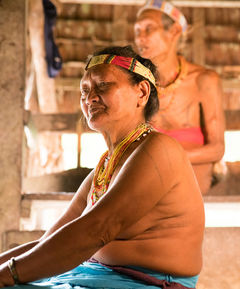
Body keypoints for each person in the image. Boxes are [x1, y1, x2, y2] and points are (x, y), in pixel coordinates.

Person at [0, 46, 204, 289]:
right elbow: (52, 240)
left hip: (144, 283)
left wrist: (8, 274)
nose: (90, 97)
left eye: (103, 85)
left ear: (141, 92)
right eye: (85, 90)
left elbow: (96, 229)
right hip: (91, 275)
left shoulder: (160, 149)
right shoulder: (106, 165)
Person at [134, 0, 225, 194]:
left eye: (149, 29)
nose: (140, 38)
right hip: (148, 192)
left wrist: (163, 158)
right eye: (137, 31)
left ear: (174, 31)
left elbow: (217, 148)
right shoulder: (138, 87)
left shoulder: (204, 80)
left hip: (194, 195)